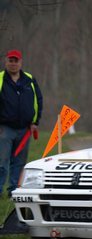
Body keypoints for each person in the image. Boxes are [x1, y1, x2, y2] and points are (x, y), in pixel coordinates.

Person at [0, 49, 43, 197]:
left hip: (25, 130)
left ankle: (13, 191)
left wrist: (35, 122)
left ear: (20, 62)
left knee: (19, 163)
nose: (13, 64)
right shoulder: (0, 79)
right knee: (2, 162)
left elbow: (38, 100)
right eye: (10, 61)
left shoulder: (29, 79)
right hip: (4, 129)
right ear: (6, 62)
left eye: (15, 61)